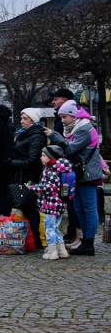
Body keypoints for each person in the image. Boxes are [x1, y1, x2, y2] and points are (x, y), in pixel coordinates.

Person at [47, 100, 103, 256]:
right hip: (78, 174)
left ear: (73, 116)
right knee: (79, 208)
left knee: (89, 208)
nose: (63, 121)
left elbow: (71, 149)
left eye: (65, 117)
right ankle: (85, 241)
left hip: (88, 175)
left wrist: (54, 135)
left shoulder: (84, 129)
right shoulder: (76, 128)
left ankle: (88, 243)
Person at [8, 108, 46, 246]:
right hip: (21, 174)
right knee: (25, 207)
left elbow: (32, 160)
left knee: (30, 207)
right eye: (21, 118)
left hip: (29, 176)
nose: (22, 121)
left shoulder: (36, 136)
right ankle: (30, 236)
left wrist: (11, 162)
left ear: (33, 120)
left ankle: (35, 238)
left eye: (25, 118)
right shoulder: (23, 134)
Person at [50, 88, 81, 245]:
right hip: (62, 166)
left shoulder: (73, 124)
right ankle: (71, 231)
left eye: (57, 99)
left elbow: (67, 145)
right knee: (68, 200)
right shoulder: (60, 121)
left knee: (72, 200)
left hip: (68, 168)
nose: (53, 102)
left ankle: (76, 233)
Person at [30, 145, 72, 260]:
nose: (41, 158)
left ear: (51, 157)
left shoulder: (51, 172)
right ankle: (62, 250)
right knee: (55, 228)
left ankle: (52, 251)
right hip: (59, 204)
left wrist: (34, 188)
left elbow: (49, 188)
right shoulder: (58, 170)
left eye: (44, 156)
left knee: (49, 228)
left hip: (50, 204)